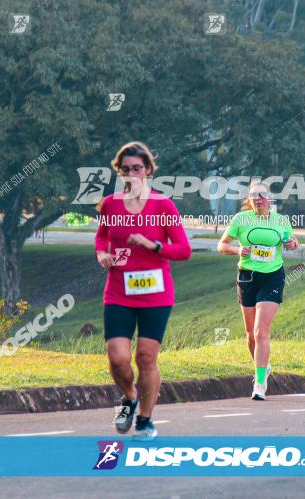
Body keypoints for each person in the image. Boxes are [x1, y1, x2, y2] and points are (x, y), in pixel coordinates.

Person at [94, 141, 191, 440]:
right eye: (125, 170)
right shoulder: (110, 204)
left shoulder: (163, 206)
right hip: (119, 291)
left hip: (155, 293)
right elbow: (101, 239)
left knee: (146, 358)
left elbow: (184, 250)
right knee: (117, 357)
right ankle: (129, 397)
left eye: (137, 168)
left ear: (148, 170)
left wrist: (154, 245)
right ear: (119, 172)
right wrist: (102, 255)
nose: (131, 174)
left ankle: (146, 420)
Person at [217, 182, 298, 400]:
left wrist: (292, 244)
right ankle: (264, 366)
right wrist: (237, 250)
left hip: (272, 277)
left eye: (262, 195)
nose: (258, 199)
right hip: (247, 277)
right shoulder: (241, 219)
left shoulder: (281, 221)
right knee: (251, 336)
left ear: (270, 199)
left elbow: (291, 242)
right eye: (254, 195)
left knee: (261, 331)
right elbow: (221, 245)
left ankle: (260, 383)